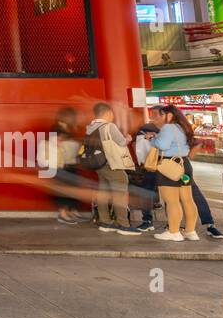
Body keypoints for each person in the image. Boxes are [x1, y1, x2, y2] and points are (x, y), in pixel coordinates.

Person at [84, 103, 143, 235]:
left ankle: (105, 222)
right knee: (120, 192)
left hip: (99, 165)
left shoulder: (90, 127)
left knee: (103, 192)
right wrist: (128, 138)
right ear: (108, 113)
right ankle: (123, 225)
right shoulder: (109, 126)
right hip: (112, 163)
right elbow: (122, 142)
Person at [152, 104, 199, 242]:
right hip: (184, 164)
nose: (159, 117)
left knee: (172, 201)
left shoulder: (168, 127)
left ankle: (173, 232)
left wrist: (153, 139)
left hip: (169, 166)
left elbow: (163, 145)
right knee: (188, 199)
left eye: (161, 115)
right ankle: (190, 231)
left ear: (169, 115)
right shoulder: (182, 127)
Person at [49, 107, 85, 224]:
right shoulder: (56, 130)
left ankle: (70, 211)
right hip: (60, 165)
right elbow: (53, 146)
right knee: (63, 189)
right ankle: (63, 213)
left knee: (72, 189)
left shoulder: (70, 130)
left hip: (70, 164)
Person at [131, 122, 160, 232]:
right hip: (163, 168)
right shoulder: (158, 137)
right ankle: (172, 224)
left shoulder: (141, 138)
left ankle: (147, 221)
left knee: (145, 194)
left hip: (149, 169)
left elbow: (140, 156)